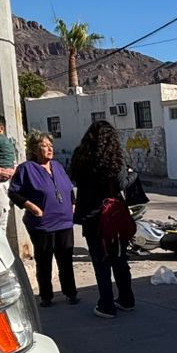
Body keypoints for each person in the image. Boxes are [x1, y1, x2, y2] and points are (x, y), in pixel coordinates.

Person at [69, 121, 137, 318]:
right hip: (112, 218)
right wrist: (134, 175)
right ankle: (126, 299)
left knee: (101, 263)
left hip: (91, 219)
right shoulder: (115, 158)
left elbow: (74, 178)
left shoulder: (80, 156)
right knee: (119, 259)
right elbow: (121, 184)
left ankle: (106, 305)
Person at [8, 132, 78, 307]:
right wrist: (32, 207)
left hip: (64, 221)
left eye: (50, 145)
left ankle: (71, 293)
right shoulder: (27, 169)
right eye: (44, 146)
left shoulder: (57, 166)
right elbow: (14, 192)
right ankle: (46, 296)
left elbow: (69, 188)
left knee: (66, 259)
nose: (49, 148)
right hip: (43, 224)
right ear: (34, 149)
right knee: (44, 260)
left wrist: (73, 204)